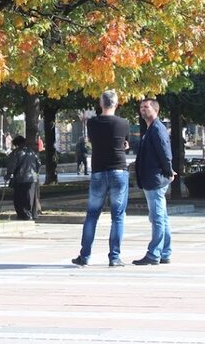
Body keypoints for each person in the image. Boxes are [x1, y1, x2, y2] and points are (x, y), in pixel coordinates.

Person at [71, 89, 130, 267]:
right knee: (118, 216)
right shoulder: (123, 123)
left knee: (92, 215)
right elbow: (124, 143)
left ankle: (85, 255)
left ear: (100, 103)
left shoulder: (93, 123)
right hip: (118, 170)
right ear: (116, 104)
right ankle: (114, 257)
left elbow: (94, 140)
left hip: (98, 171)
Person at [132, 98, 176, 265]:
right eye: (141, 107)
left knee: (157, 218)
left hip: (155, 180)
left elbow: (165, 153)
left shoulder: (157, 129)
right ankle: (165, 252)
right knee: (161, 217)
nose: (143, 109)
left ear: (155, 110)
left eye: (146, 107)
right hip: (152, 179)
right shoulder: (151, 129)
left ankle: (154, 254)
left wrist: (168, 171)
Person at [4, 135, 41, 220]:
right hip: (32, 178)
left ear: (16, 144)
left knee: (19, 198)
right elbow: (38, 163)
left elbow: (12, 165)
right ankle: (31, 213)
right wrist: (35, 173)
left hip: (21, 179)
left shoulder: (16, 153)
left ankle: (24, 215)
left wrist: (9, 174)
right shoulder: (31, 152)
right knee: (30, 198)